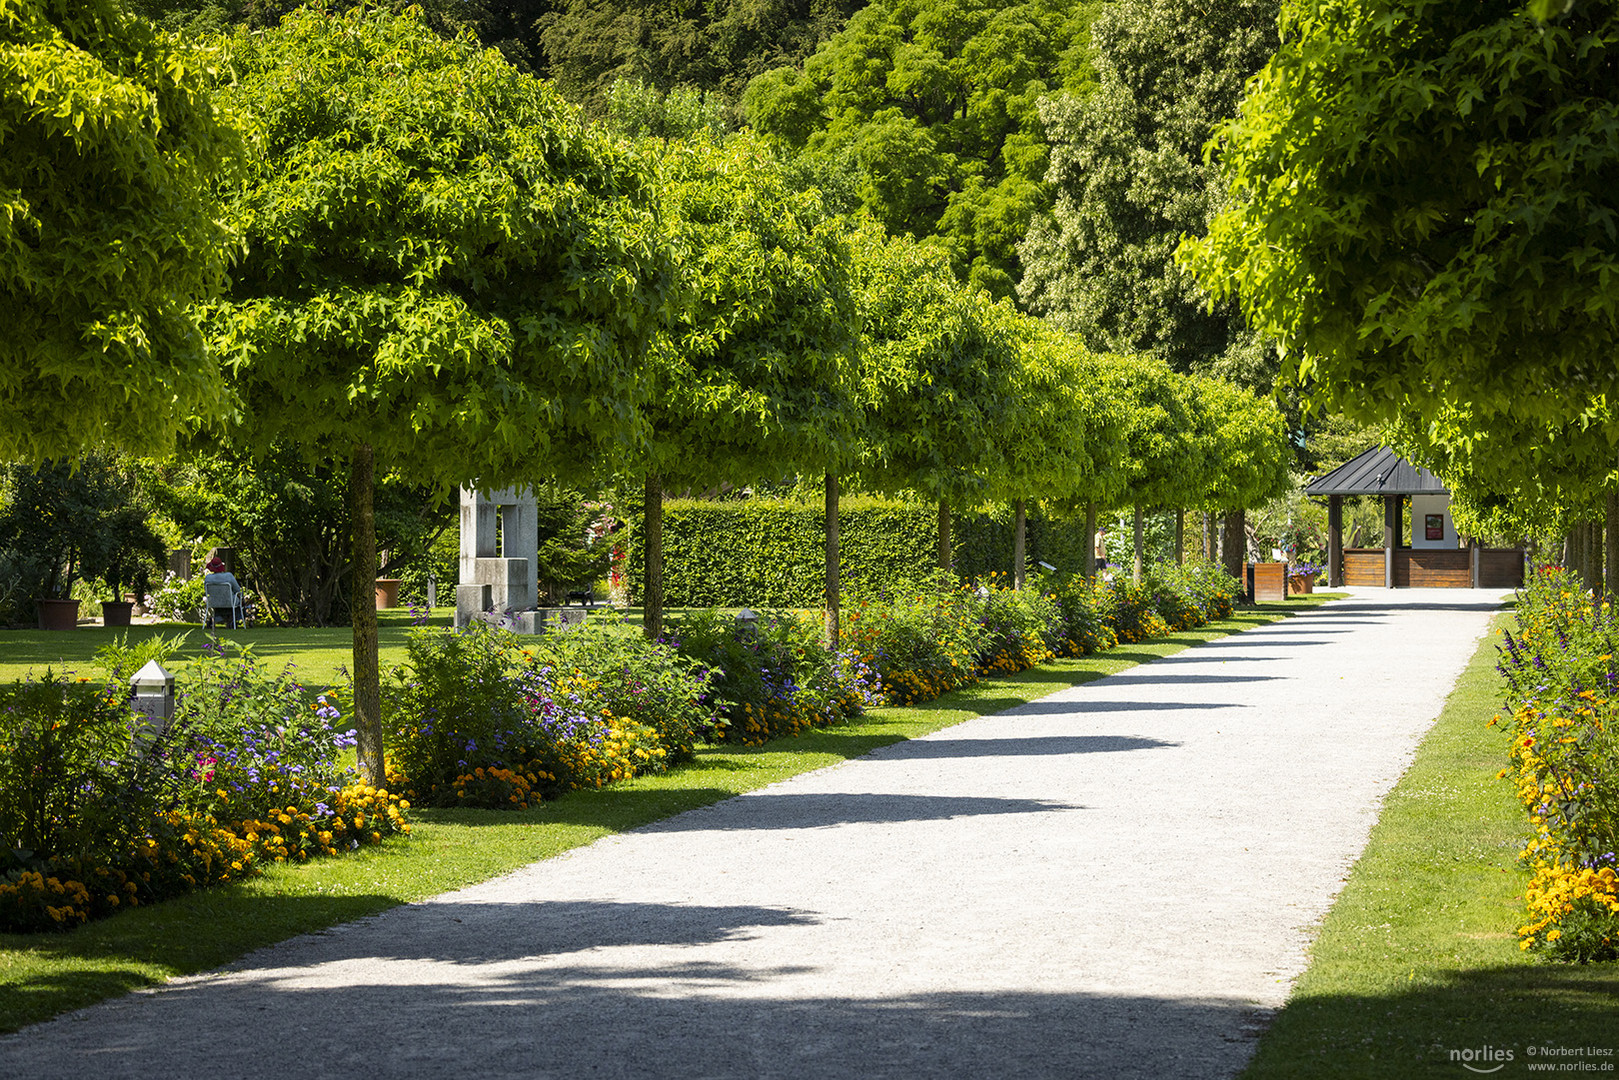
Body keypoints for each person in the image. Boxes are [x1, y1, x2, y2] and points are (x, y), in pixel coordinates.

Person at [202, 555, 243, 628]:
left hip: (214, 602)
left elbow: (207, 591)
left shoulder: (208, 578)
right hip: (229, 601)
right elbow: (237, 589)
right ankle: (232, 619)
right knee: (237, 598)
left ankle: (219, 617)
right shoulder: (228, 576)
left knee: (226, 600)